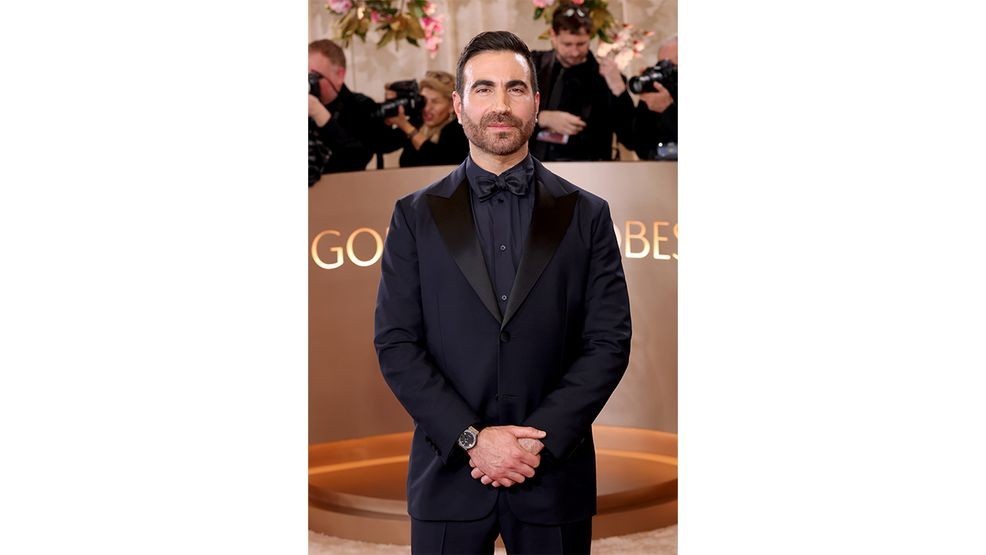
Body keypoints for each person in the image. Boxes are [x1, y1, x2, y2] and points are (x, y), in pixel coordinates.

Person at [374, 30, 632, 554]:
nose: (500, 105)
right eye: (484, 89)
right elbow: (397, 344)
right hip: (448, 471)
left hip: (552, 473)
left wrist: (536, 443)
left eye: (515, 89)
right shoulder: (414, 216)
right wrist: (472, 438)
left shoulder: (588, 215)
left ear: (537, 103)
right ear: (459, 103)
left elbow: (608, 342)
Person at [529, 3, 635, 161]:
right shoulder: (532, 66)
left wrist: (619, 90)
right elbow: (509, 114)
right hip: (535, 166)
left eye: (581, 44)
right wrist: (541, 118)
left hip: (590, 170)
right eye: (567, 44)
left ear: (589, 38)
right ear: (553, 35)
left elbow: (631, 138)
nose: (574, 52)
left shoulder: (606, 75)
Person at [308, 39, 393, 180]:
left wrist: (321, 115)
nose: (310, 83)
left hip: (347, 193)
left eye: (315, 77)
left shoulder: (361, 106)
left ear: (339, 75)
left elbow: (357, 158)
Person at [384, 70, 470, 167]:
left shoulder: (459, 129)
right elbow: (384, 145)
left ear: (452, 105)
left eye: (435, 102)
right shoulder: (417, 122)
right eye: (424, 100)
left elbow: (439, 161)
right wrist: (388, 112)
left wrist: (407, 128)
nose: (427, 108)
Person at [628, 35, 678, 161]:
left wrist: (668, 110)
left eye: (670, 65)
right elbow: (641, 148)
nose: (664, 71)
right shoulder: (661, 91)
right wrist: (647, 96)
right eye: (660, 64)